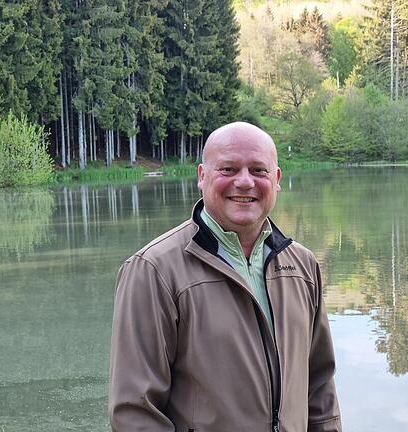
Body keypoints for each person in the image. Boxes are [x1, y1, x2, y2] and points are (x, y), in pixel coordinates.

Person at [109, 122, 342, 432]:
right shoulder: (153, 271)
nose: (244, 182)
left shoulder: (302, 266)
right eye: (229, 169)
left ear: (277, 180)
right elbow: (135, 414)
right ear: (202, 176)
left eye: (259, 170)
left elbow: (320, 387)